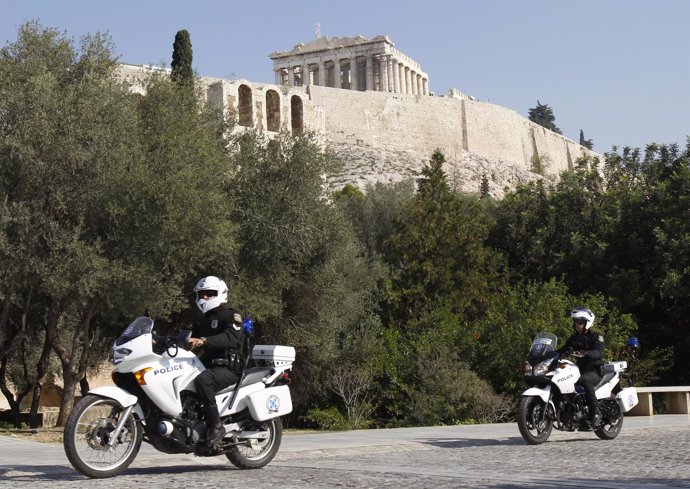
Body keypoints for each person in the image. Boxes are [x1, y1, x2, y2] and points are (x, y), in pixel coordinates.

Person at [187, 276, 244, 449]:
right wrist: (160, 341)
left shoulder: (231, 316)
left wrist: (204, 341)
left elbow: (230, 338)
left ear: (220, 294)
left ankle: (216, 425)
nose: (204, 298)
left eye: (209, 294)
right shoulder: (201, 320)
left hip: (228, 368)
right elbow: (187, 337)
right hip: (209, 366)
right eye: (202, 294)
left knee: (203, 380)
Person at [559, 306, 604, 428]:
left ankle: (595, 412)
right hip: (579, 370)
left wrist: (586, 353)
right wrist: (551, 354)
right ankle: (572, 411)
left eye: (580, 322)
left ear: (587, 323)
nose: (577, 324)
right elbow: (564, 349)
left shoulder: (596, 337)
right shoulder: (574, 338)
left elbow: (599, 353)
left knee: (585, 380)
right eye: (576, 322)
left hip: (595, 371)